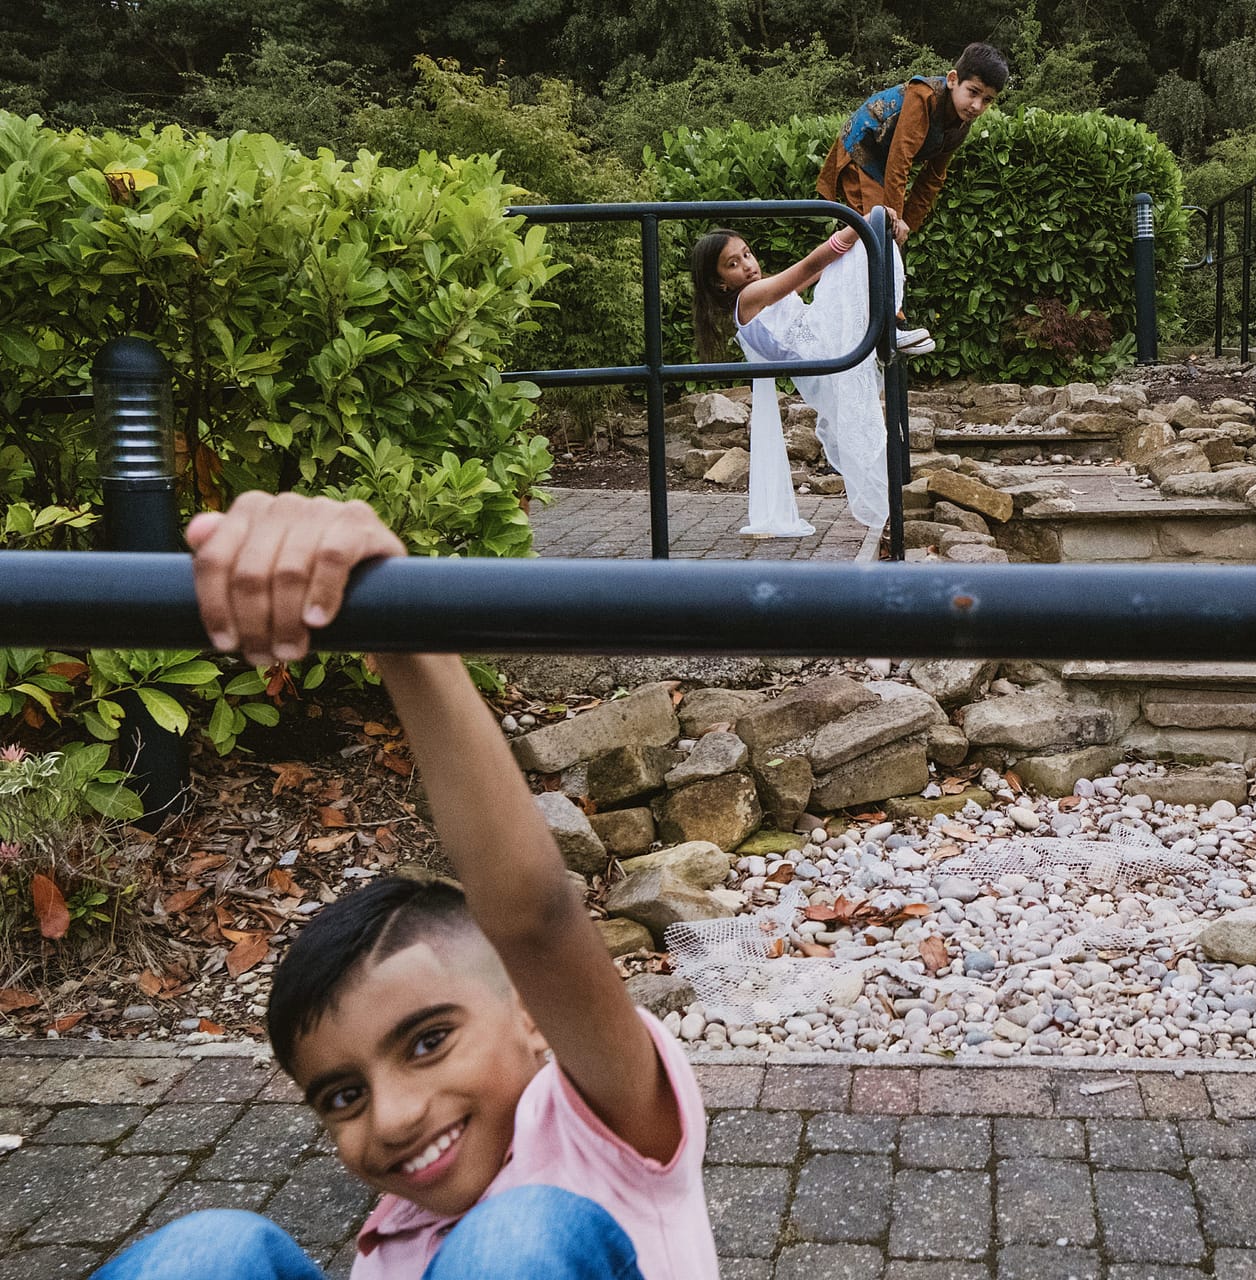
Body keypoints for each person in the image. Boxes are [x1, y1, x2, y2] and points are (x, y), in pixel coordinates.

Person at [92, 492, 718, 1280]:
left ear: (529, 1014)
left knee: (511, 1238)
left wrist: (396, 624)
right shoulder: (397, 1237)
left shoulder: (609, 1130)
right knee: (207, 1254)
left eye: (429, 1041)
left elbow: (532, 915)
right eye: (342, 1097)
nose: (391, 1118)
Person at [691, 223, 890, 536]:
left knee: (863, 253)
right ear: (720, 284)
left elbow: (809, 275)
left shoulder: (758, 295)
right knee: (871, 248)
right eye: (733, 263)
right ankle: (892, 327)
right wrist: (858, 226)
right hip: (824, 345)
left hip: (823, 350)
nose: (747, 265)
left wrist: (849, 244)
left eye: (747, 254)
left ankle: (890, 328)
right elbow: (807, 267)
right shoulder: (751, 298)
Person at [817, 42, 1009, 354]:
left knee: (887, 240)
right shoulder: (924, 97)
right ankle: (889, 324)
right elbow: (900, 158)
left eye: (987, 100)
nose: (976, 105)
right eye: (972, 92)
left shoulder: (961, 126)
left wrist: (908, 225)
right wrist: (896, 218)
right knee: (878, 233)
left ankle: (878, 324)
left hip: (883, 162)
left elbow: (933, 178)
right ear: (952, 79)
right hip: (863, 151)